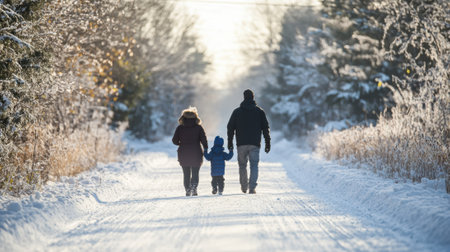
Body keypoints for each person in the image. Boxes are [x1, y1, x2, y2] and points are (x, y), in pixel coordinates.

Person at [227, 89, 270, 194]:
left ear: (244, 97)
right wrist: (267, 143)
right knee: (254, 165)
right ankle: (252, 188)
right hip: (255, 143)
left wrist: (230, 142)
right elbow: (265, 128)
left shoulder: (237, 112)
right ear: (253, 97)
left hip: (241, 144)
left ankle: (244, 187)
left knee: (242, 166)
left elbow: (230, 127)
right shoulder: (259, 112)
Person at [172, 107, 208, 196]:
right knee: (195, 172)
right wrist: (206, 148)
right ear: (195, 117)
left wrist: (180, 143)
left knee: (186, 173)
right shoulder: (199, 128)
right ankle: (194, 188)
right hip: (196, 153)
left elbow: (174, 141)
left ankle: (188, 189)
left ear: (183, 118)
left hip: (184, 153)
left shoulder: (180, 128)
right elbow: (204, 140)